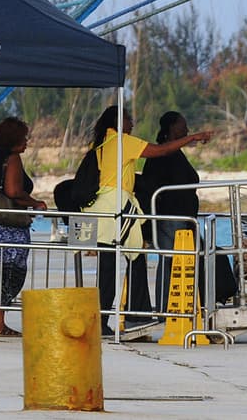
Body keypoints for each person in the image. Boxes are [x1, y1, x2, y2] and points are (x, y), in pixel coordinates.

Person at [85, 106, 211, 331]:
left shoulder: (101, 143)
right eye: (129, 119)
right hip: (117, 207)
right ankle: (132, 315)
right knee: (133, 258)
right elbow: (160, 151)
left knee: (112, 264)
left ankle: (109, 319)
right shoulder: (122, 141)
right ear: (119, 122)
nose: (132, 124)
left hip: (101, 207)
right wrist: (193, 138)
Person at [0, 117, 46, 336]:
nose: (27, 142)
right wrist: (35, 203)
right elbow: (13, 191)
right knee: (10, 269)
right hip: (4, 222)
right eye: (24, 138)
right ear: (15, 139)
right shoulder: (12, 158)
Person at [138, 111, 203, 311]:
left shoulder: (174, 154)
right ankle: (166, 307)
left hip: (182, 218)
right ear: (173, 127)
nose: (187, 129)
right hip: (169, 217)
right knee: (170, 261)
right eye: (183, 126)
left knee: (176, 261)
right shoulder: (162, 154)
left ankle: (174, 305)